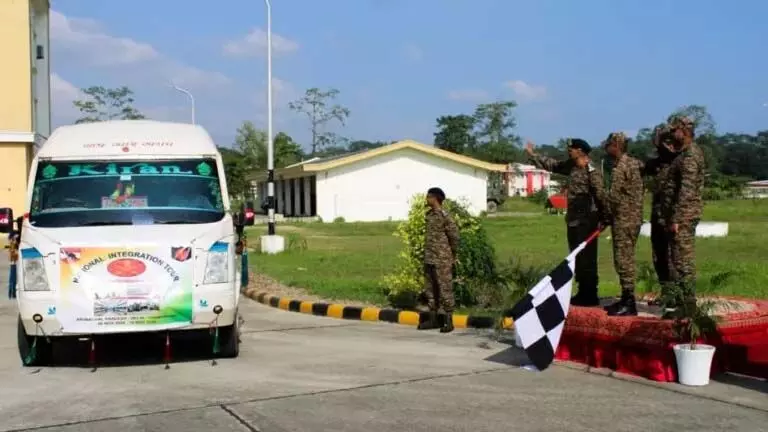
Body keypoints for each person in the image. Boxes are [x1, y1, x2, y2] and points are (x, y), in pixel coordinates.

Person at [526, 139, 611, 307]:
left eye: (571, 148)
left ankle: (590, 293)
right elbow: (553, 165)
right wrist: (533, 155)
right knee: (577, 257)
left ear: (581, 151)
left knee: (588, 259)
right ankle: (582, 292)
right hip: (573, 221)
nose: (568, 151)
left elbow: (600, 195)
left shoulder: (591, 171)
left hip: (587, 221)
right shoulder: (571, 166)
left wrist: (605, 217)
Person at [661, 115, 706, 306]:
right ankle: (678, 300)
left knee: (683, 261)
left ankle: (687, 304)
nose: (672, 134)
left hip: (684, 216)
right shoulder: (682, 153)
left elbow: (686, 190)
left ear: (684, 130)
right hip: (678, 214)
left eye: (674, 130)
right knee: (675, 259)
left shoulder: (690, 156)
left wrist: (677, 218)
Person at [601, 132, 644, 316]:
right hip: (630, 218)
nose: (606, 148)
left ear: (617, 146)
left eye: (609, 145)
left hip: (625, 219)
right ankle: (626, 299)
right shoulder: (632, 163)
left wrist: (604, 216)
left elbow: (614, 197)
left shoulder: (621, 167)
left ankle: (629, 302)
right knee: (624, 258)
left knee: (623, 260)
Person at [643, 125, 679, 301]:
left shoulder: (679, 160)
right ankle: (666, 291)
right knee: (659, 255)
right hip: (658, 214)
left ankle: (676, 295)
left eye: (669, 142)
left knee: (674, 256)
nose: (667, 146)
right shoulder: (657, 163)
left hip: (673, 215)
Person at [419, 187, 460, 333]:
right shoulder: (429, 215)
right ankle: (433, 319)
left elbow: (454, 237)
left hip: (442, 259)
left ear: (435, 198)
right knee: (431, 290)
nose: (426, 199)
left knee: (445, 289)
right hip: (430, 257)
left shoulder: (445, 216)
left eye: (428, 196)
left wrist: (453, 254)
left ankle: (449, 321)